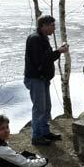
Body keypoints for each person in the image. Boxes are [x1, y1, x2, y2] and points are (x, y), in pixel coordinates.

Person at [24, 15, 68, 146]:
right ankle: (36, 136)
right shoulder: (35, 39)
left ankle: (44, 132)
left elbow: (46, 58)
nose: (54, 28)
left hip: (42, 79)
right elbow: (40, 60)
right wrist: (58, 52)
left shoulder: (42, 38)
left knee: (46, 107)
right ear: (43, 25)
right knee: (39, 108)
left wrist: (58, 52)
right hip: (35, 78)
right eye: (52, 25)